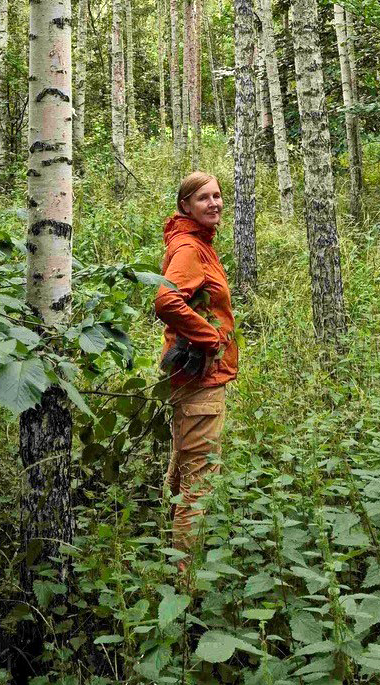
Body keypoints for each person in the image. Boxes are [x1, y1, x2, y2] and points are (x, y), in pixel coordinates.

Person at [154, 172, 238, 566]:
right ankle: (185, 580)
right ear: (185, 205)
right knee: (199, 483)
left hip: (191, 374)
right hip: (200, 376)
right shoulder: (189, 247)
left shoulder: (195, 243)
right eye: (204, 197)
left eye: (218, 196)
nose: (214, 203)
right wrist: (211, 338)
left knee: (184, 466)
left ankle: (166, 551)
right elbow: (167, 302)